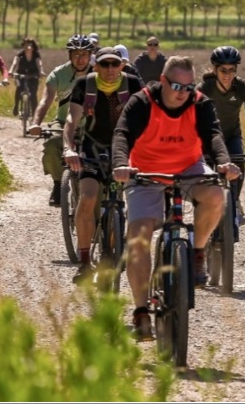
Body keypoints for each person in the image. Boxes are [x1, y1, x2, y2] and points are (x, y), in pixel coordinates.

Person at [112, 56, 238, 340]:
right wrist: (120, 163)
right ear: (163, 81)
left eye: (189, 87)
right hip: (145, 171)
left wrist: (223, 161)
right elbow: (122, 134)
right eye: (177, 86)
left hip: (188, 167)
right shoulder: (142, 102)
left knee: (216, 195)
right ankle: (141, 311)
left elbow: (213, 135)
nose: (183, 93)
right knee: (138, 237)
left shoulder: (200, 103)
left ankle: (197, 253)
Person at [63, 47, 145, 283]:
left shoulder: (132, 84)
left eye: (114, 64)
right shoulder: (84, 84)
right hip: (93, 146)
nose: (110, 69)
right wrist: (69, 148)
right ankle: (85, 262)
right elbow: (72, 119)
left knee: (140, 201)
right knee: (88, 198)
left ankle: (126, 244)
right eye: (104, 64)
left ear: (122, 65)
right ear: (95, 66)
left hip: (126, 149)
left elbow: (147, 118)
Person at [199, 47, 245, 231]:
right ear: (215, 69)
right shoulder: (204, 88)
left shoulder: (243, 87)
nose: (227, 75)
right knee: (205, 175)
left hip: (231, 135)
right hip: (208, 139)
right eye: (223, 70)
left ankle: (235, 200)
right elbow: (193, 117)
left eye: (232, 70)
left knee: (238, 162)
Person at [33, 36, 96, 207]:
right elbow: (46, 100)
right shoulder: (58, 74)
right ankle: (58, 183)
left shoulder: (98, 74)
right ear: (70, 56)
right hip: (62, 122)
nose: (80, 59)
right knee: (52, 143)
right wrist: (36, 123)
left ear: (90, 55)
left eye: (84, 55)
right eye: (76, 55)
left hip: (92, 125)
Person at [11, 38, 44, 119]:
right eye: (26, 45)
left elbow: (39, 63)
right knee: (19, 89)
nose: (28, 47)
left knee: (33, 95)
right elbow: (15, 63)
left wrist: (41, 71)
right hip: (21, 75)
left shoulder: (36, 55)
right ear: (23, 46)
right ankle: (16, 105)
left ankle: (34, 114)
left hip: (33, 76)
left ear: (33, 47)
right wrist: (11, 71)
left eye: (30, 45)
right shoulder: (20, 54)